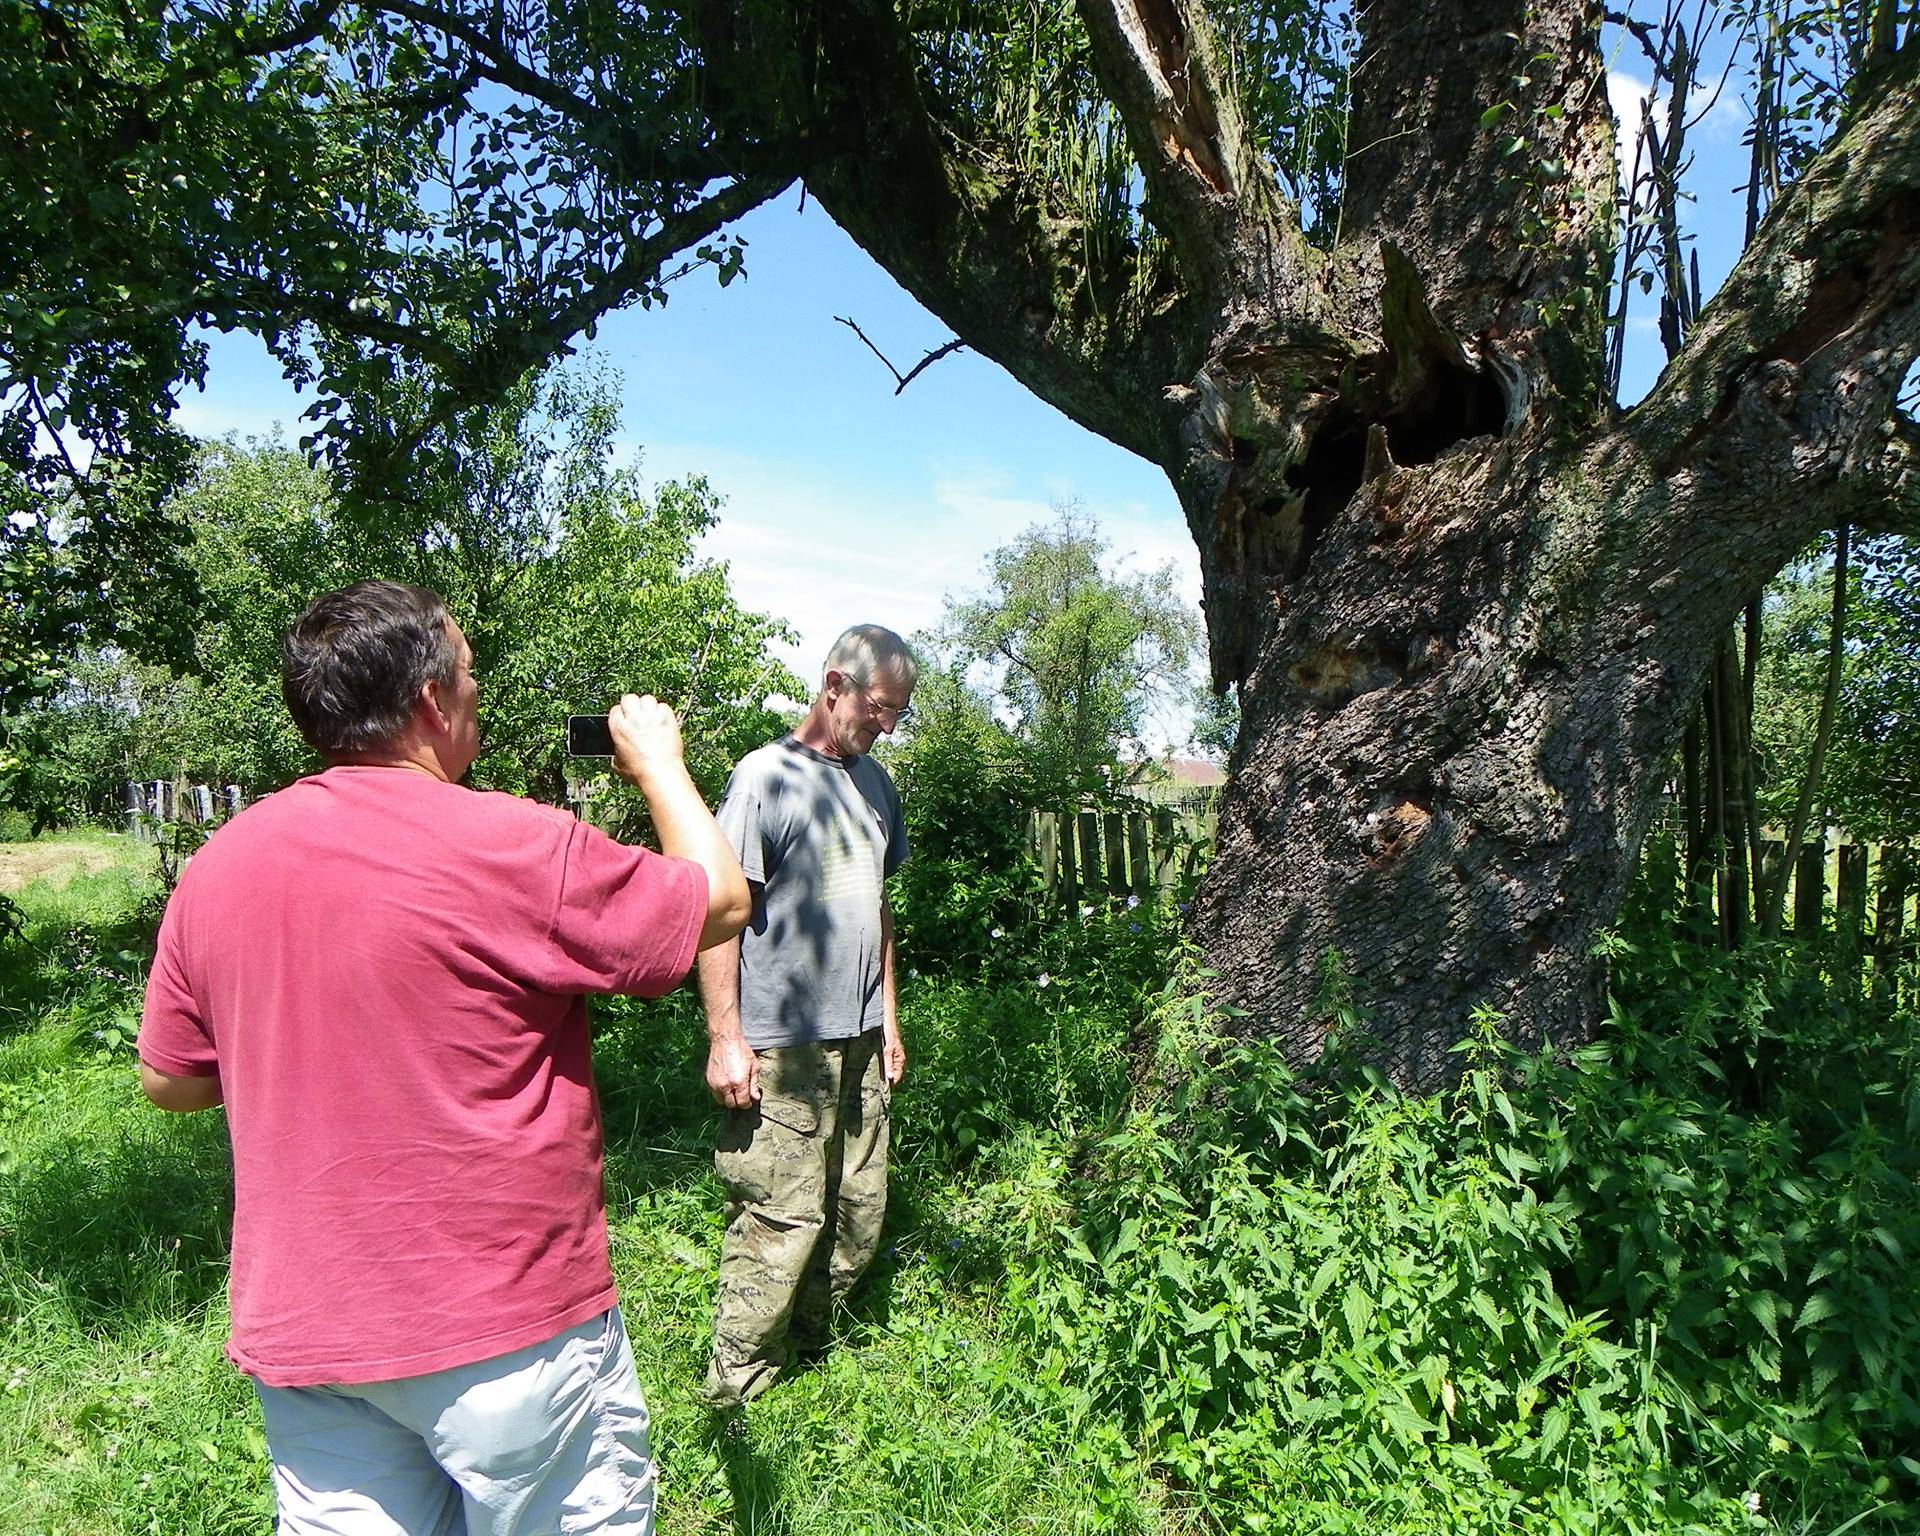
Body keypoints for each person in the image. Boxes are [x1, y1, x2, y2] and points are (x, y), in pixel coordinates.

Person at [136, 579, 750, 1536]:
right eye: (469, 673)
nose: (477, 693)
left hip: (312, 1337)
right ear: (430, 701)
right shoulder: (509, 843)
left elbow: (171, 1079)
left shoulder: (221, 863)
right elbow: (716, 901)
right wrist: (660, 765)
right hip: (505, 1330)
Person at [699, 624, 917, 1407]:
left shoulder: (877, 785)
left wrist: (889, 1020)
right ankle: (738, 1393)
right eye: (880, 707)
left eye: (898, 713)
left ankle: (814, 1355)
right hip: (783, 1044)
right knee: (780, 1220)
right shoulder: (765, 778)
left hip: (860, 1038)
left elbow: (878, 907)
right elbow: (718, 915)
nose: (886, 725)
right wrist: (726, 1039)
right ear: (834, 686)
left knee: (859, 1209)